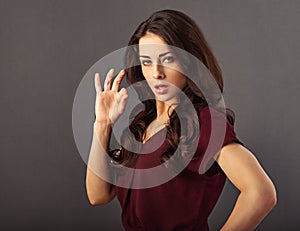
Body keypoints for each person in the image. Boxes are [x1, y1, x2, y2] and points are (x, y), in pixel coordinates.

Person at [85, 9, 277, 231]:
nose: (156, 73)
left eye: (167, 59)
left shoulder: (205, 122)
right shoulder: (141, 122)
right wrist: (103, 124)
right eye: (146, 62)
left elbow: (261, 193)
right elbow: (98, 195)